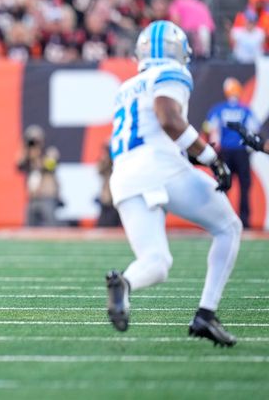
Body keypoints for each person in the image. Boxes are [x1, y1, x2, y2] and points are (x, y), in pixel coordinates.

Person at [105, 20, 241, 347]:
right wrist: (212, 158)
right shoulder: (171, 72)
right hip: (162, 167)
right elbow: (168, 118)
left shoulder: (127, 87)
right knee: (229, 227)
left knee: (156, 262)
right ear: (177, 50)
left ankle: (125, 283)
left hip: (124, 175)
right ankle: (206, 315)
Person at [204, 78, 259, 226]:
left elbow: (210, 128)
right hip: (241, 152)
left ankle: (223, 219)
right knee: (244, 187)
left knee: (224, 186)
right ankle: (244, 221)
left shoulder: (219, 109)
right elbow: (254, 130)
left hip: (225, 152)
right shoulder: (245, 110)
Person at [16, 125, 62, 227]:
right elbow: (18, 166)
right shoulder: (28, 156)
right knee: (30, 228)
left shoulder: (49, 152)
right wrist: (24, 149)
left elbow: (49, 166)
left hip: (47, 196)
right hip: (33, 198)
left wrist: (37, 155)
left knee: (51, 226)